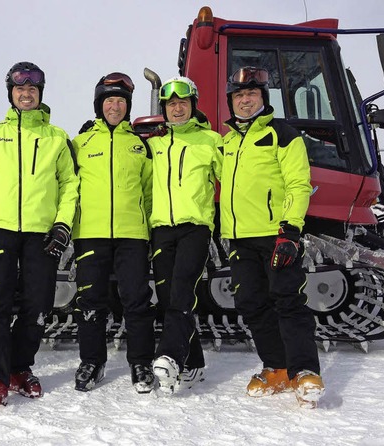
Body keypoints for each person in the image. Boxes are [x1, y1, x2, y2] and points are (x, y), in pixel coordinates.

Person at [0, 61, 79, 406]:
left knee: (38, 303)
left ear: (40, 94)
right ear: (11, 93)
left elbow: (69, 185)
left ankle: (19, 368)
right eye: (20, 89)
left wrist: (62, 225)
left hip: (41, 233)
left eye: (32, 89)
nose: (26, 94)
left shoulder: (56, 137)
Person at [219, 66, 325, 408]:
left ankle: (305, 370)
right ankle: (277, 367)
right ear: (231, 101)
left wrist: (290, 230)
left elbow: (298, 183)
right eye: (239, 95)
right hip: (239, 238)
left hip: (276, 235)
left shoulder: (283, 134)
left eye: (251, 94)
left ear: (263, 98)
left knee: (288, 300)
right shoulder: (227, 141)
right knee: (251, 304)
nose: (245, 100)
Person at [70, 72, 156, 393]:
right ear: (99, 105)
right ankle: (92, 362)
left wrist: (149, 231)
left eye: (121, 101)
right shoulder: (80, 143)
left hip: (132, 234)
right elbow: (69, 187)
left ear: (128, 105)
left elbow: (148, 193)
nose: (115, 106)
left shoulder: (138, 145)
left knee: (136, 300)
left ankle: (141, 363)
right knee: (91, 301)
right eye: (109, 100)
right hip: (90, 233)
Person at [148, 76, 223, 395]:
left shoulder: (211, 141)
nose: (177, 109)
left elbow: (234, 180)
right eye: (171, 104)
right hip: (162, 228)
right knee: (168, 298)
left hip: (195, 227)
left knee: (181, 290)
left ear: (193, 105)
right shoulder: (155, 144)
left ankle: (169, 356)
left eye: (182, 103)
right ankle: (195, 364)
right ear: (163, 109)